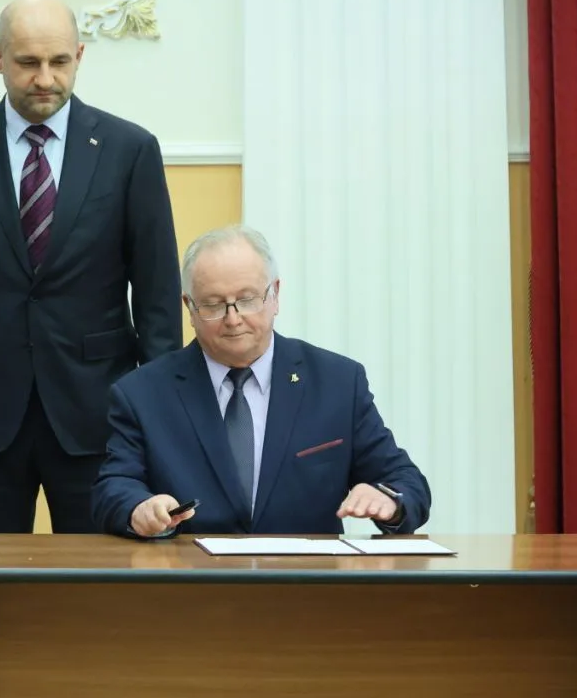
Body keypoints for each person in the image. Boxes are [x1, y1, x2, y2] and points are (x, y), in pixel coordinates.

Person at [0, 0, 182, 533]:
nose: (45, 79)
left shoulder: (130, 151)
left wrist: (159, 411)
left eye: (60, 62)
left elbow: (157, 299)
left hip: (100, 417)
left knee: (101, 573)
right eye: (28, 62)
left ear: (79, 55)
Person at [92, 224, 431, 538]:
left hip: (305, 576)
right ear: (189, 308)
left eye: (247, 300)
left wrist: (389, 501)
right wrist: (139, 508)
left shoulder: (337, 383)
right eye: (213, 305)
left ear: (275, 295)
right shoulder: (143, 393)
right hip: (192, 575)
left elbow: (405, 482)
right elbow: (113, 487)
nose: (233, 319)